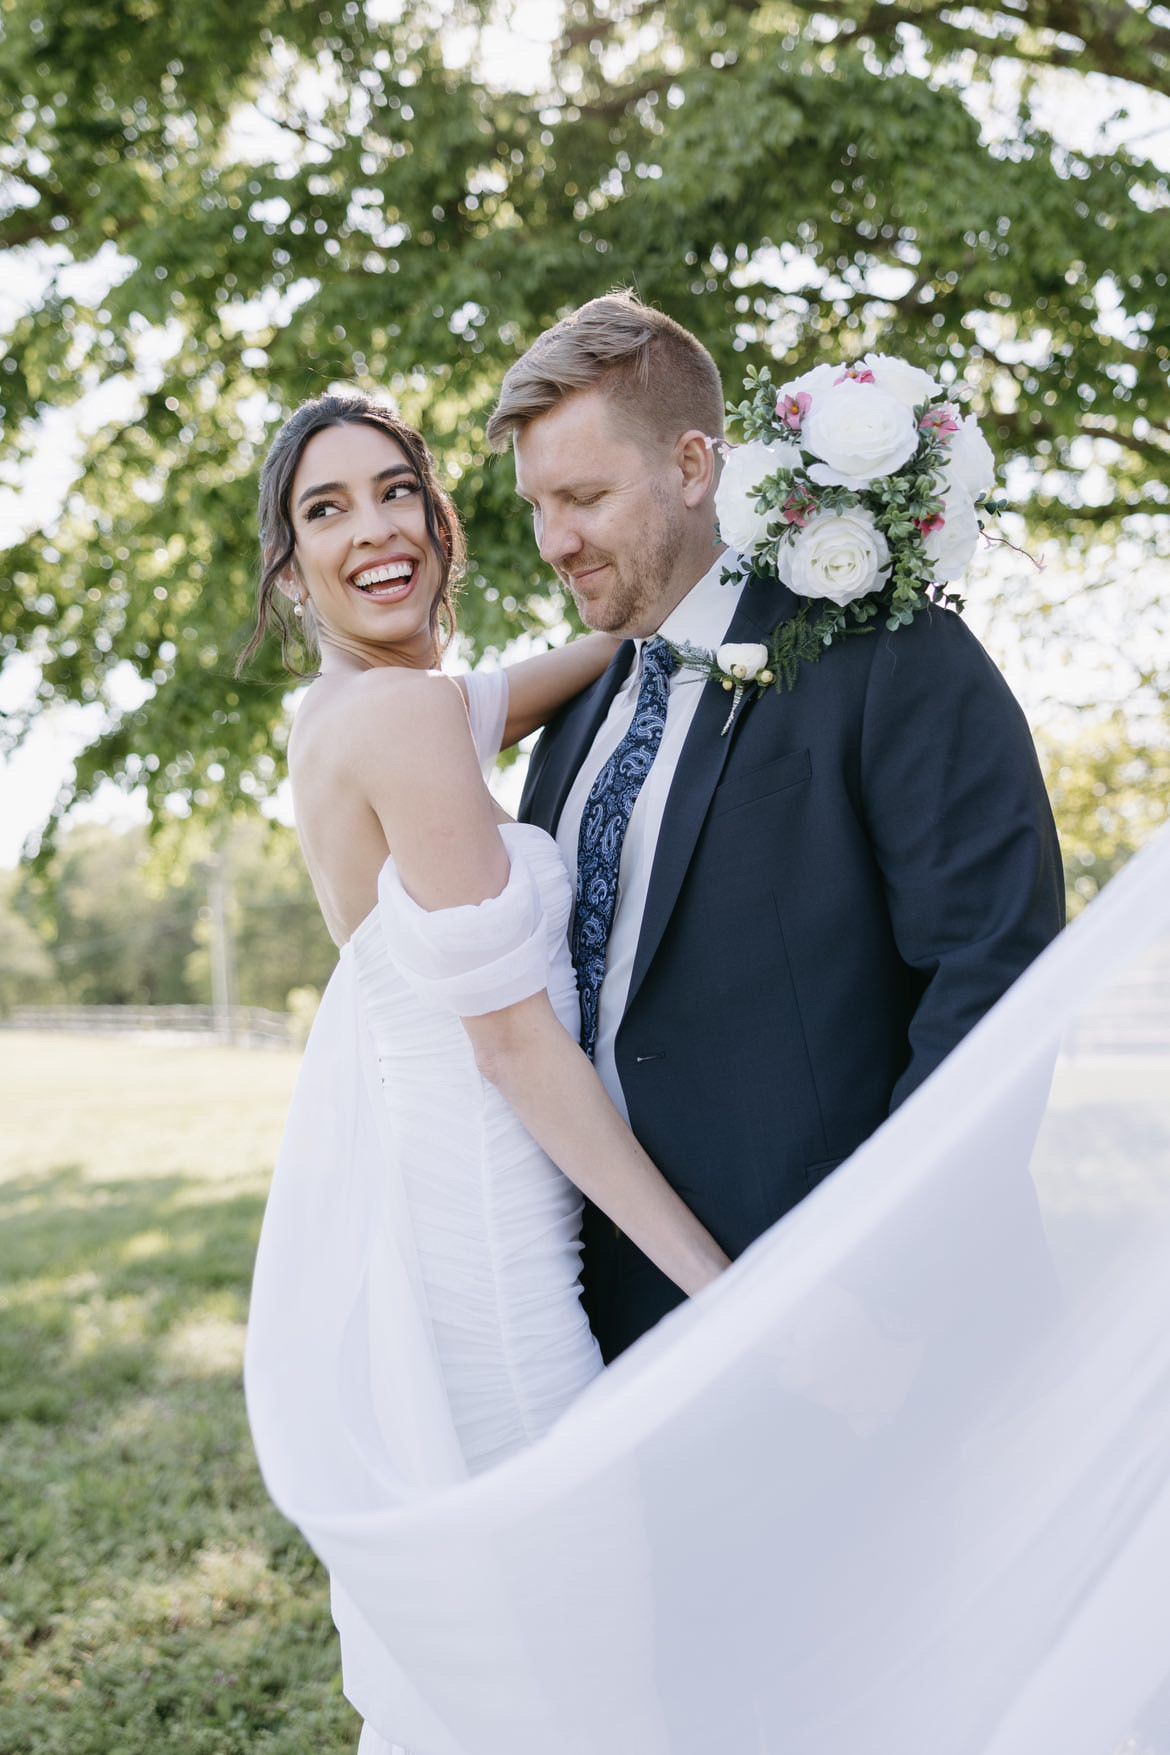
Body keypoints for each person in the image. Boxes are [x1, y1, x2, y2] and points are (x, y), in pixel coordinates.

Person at [241, 391, 728, 1753]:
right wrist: (723, 1286)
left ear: (441, 516)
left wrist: (672, 596)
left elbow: (515, 688)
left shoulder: (360, 710)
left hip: (446, 1243)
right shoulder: (400, 724)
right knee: (593, 1681)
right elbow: (516, 1048)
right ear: (290, 571)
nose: (375, 526)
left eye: (396, 489)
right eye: (325, 510)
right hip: (498, 1301)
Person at [485, 291, 1067, 1363]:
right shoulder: (577, 720)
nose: (553, 542)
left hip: (859, 1329)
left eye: (583, 496)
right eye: (535, 506)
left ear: (695, 468)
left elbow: (995, 983)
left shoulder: (885, 654)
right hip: (621, 1322)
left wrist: (878, 1287)